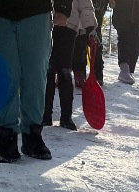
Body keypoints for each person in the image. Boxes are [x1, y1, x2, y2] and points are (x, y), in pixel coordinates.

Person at [0, 0, 73, 163]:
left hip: (36, 11)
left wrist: (63, 6)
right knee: (4, 76)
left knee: (35, 76)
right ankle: (6, 137)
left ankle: (32, 135)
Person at [43, 0, 97, 129]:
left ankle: (64, 116)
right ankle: (46, 115)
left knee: (63, 70)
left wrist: (90, 28)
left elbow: (84, 4)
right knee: (48, 71)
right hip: (45, 22)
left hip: (68, 24)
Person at [108, 0, 139, 84]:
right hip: (121, 16)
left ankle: (129, 70)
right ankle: (124, 69)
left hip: (137, 19)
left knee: (137, 43)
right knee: (124, 41)